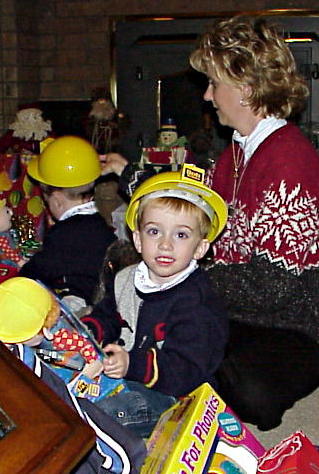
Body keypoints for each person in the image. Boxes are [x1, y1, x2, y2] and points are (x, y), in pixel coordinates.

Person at [100, 15, 319, 431]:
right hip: (239, 307)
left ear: (246, 88)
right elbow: (191, 207)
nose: (207, 95)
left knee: (247, 392)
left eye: (214, 83)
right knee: (138, 277)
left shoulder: (287, 160)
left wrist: (184, 277)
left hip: (300, 324)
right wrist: (131, 176)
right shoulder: (237, 151)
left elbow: (273, 288)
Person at [81, 163, 229, 438]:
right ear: (137, 240)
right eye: (154, 231)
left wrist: (131, 364)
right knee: (66, 384)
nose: (165, 244)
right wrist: (88, 331)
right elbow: (109, 315)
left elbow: (186, 369)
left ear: (200, 248)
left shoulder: (197, 304)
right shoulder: (126, 278)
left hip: (176, 395)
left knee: (104, 414)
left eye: (181, 235)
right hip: (125, 371)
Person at [0, 276, 147, 474]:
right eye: (48, 326)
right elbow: (79, 417)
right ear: (42, 331)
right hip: (72, 447)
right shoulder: (34, 376)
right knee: (135, 403)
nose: (51, 332)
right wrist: (129, 463)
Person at [19, 136, 117, 310]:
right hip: (104, 299)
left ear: (57, 201)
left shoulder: (62, 234)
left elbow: (39, 269)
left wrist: (19, 277)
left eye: (46, 200)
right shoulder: (100, 224)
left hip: (84, 306)